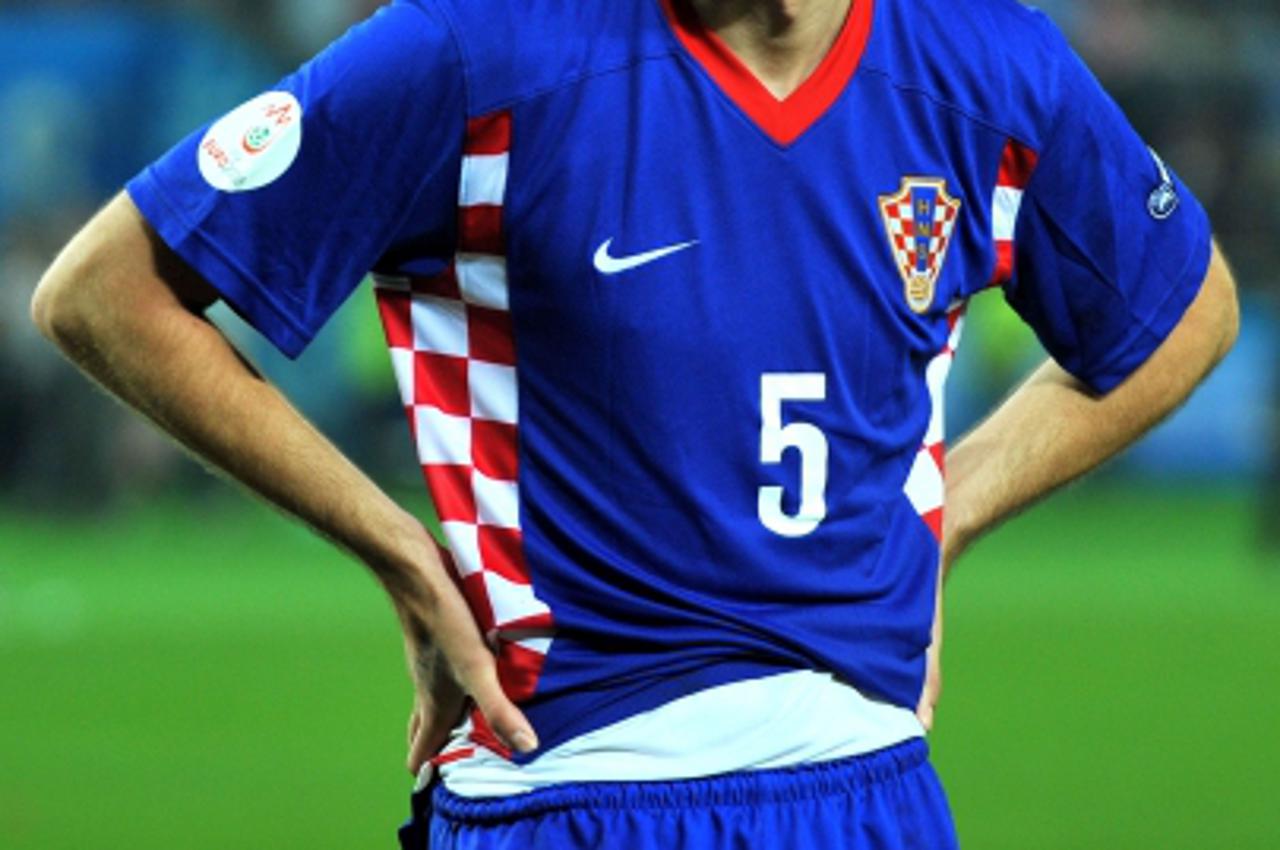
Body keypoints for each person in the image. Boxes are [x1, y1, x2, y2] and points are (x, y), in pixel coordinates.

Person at [31, 0, 1238, 847]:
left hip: (865, 787)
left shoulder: (986, 63)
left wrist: (944, 515)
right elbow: (105, 293)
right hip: (568, 785)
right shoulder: (477, 50)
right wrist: (397, 549)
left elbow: (1183, 310)